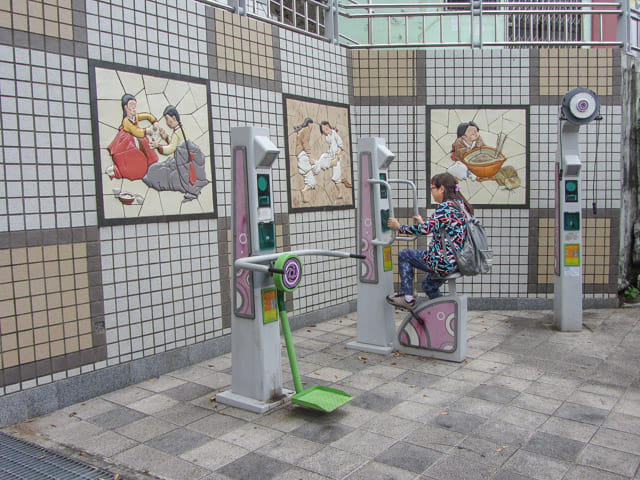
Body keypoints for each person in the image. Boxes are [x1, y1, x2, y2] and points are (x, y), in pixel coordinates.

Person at [386, 172, 473, 310]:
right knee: (428, 286)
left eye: (433, 188)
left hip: (441, 261)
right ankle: (447, 313)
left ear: (442, 189)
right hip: (456, 262)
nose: (431, 192)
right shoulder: (461, 206)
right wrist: (423, 222)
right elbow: (447, 230)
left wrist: (399, 227)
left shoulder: (446, 207)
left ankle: (407, 298)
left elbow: (425, 229)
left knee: (405, 254)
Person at [143, 105, 209, 202]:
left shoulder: (178, 132)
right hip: (180, 161)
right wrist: (165, 137)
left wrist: (158, 146)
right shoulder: (180, 130)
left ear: (174, 118)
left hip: (183, 165)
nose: (167, 123)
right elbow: (176, 144)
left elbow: (171, 149)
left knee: (156, 171)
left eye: (167, 119)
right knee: (160, 167)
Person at [106, 94, 159, 181]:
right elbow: (135, 131)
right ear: (126, 107)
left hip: (137, 137)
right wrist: (146, 131)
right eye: (131, 106)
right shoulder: (126, 121)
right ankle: (118, 170)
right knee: (133, 156)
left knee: (146, 144)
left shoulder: (136, 117)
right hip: (126, 141)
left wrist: (154, 121)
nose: (134, 108)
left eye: (135, 106)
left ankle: (151, 165)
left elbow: (147, 116)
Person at [313, 121, 352, 199]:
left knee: (336, 177)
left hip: (336, 156)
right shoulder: (328, 137)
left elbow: (340, 146)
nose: (325, 129)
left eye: (326, 126)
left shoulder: (334, 134)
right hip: (330, 155)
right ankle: (316, 167)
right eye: (323, 128)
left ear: (329, 126)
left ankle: (341, 191)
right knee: (322, 158)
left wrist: (337, 157)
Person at [294, 118, 316, 203]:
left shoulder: (301, 131)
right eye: (311, 124)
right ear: (309, 124)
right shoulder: (306, 130)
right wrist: (310, 156)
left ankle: (304, 193)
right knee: (311, 180)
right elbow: (305, 143)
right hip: (303, 155)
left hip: (300, 155)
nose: (312, 126)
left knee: (310, 176)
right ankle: (304, 191)